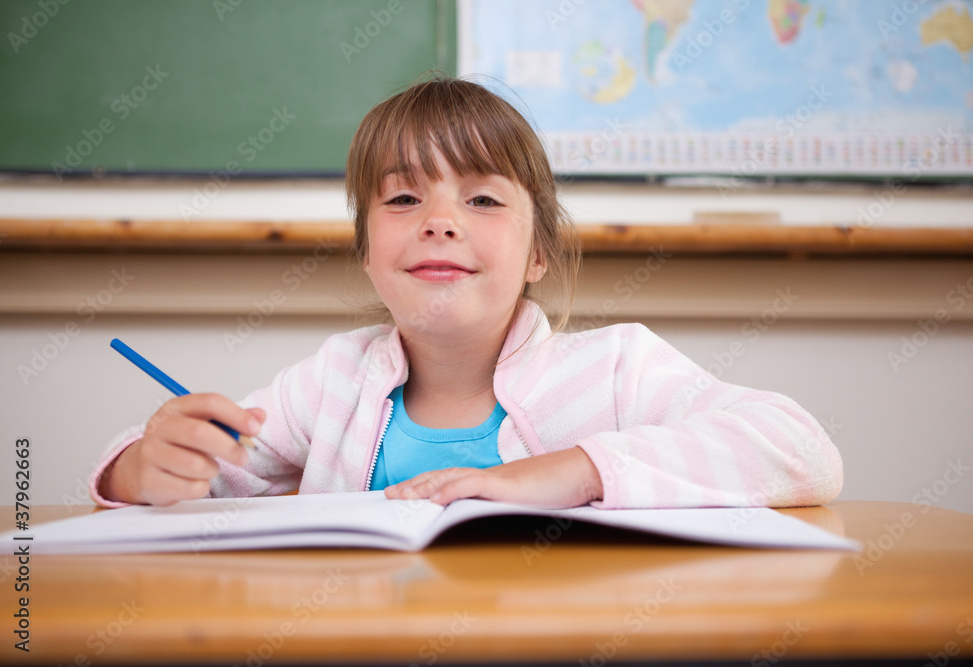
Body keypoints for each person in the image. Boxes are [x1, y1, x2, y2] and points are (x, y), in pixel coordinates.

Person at [91, 76, 843, 510]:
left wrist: (570, 470)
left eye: (482, 200)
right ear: (366, 252)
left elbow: (800, 449)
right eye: (403, 200)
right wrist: (142, 467)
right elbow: (192, 476)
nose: (440, 222)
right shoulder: (330, 382)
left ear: (538, 252)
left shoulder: (616, 370)